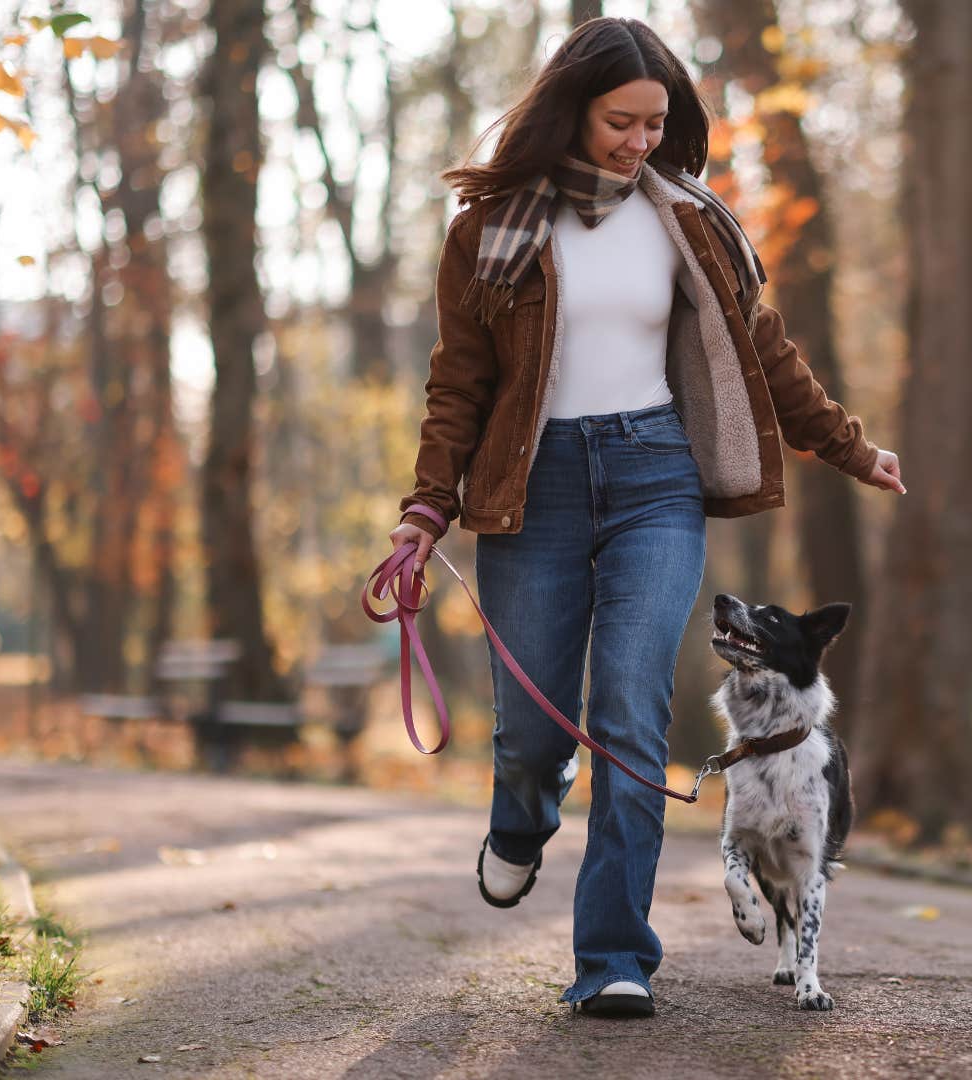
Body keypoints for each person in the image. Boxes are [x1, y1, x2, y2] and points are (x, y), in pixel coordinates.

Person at [387, 17, 903, 1019]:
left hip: (653, 476)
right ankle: (523, 819)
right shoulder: (489, 232)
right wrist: (424, 511)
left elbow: (767, 353)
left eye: (655, 122)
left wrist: (848, 445)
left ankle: (613, 958)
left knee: (630, 706)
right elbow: (459, 385)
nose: (638, 141)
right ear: (571, 111)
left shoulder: (691, 220)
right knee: (534, 734)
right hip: (529, 490)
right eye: (620, 122)